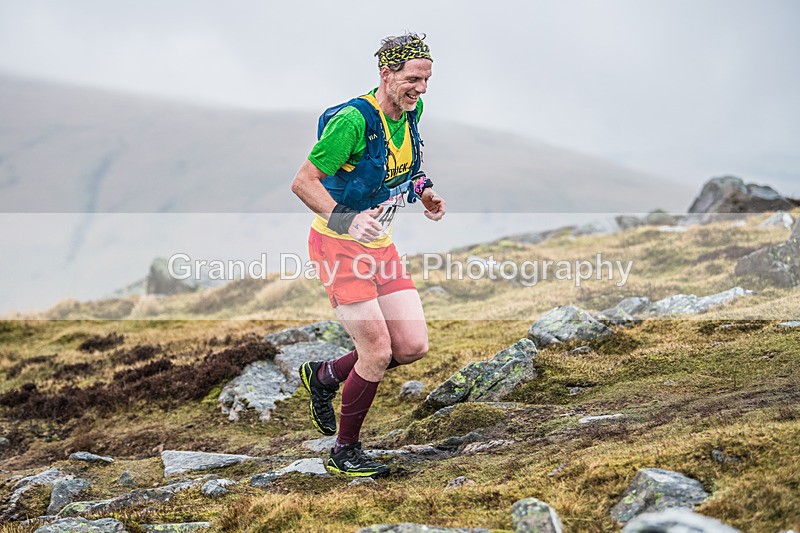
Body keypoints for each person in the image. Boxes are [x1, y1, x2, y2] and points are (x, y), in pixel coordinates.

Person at [290, 32, 445, 477]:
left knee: (412, 346)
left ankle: (323, 377)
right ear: (386, 74)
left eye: (427, 79)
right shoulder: (354, 121)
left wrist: (426, 192)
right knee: (375, 352)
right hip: (338, 245)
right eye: (413, 78)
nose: (422, 88)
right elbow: (303, 182)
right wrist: (346, 219)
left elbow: (407, 169)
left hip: (380, 247)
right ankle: (344, 451)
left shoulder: (410, 112)